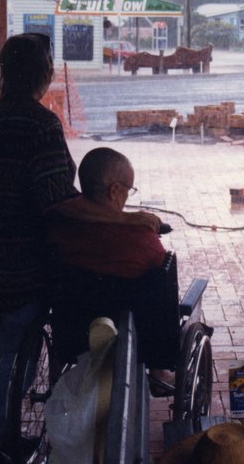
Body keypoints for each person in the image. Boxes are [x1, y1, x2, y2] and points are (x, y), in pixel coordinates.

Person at [0, 34, 160, 464]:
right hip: (19, 264)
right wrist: (129, 221)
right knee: (9, 361)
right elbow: (58, 203)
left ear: (4, 73)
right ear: (45, 75)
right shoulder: (39, 125)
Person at [46, 147, 180, 377]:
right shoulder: (140, 240)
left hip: (72, 334)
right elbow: (158, 275)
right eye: (129, 189)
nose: (128, 195)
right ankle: (157, 372)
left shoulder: (59, 224)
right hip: (134, 342)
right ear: (115, 190)